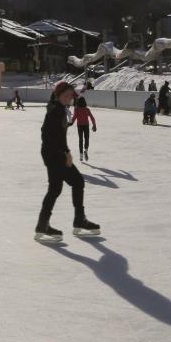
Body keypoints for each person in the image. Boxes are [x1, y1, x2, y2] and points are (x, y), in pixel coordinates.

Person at [34, 82, 100, 243]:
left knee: (70, 184)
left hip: (55, 154)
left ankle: (71, 221)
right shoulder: (55, 111)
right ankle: (66, 222)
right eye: (66, 95)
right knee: (64, 186)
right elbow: (47, 135)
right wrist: (65, 152)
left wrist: (64, 151)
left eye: (70, 95)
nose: (69, 98)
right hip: (54, 155)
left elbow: (58, 134)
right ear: (58, 95)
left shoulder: (58, 107)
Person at [69, 96, 97, 162]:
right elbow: (92, 118)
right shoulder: (87, 109)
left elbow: (74, 118)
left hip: (80, 126)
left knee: (80, 140)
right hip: (86, 126)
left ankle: (81, 154)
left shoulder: (76, 109)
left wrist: (69, 123)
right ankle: (86, 150)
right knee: (86, 138)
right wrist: (94, 125)